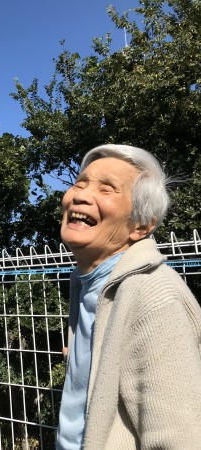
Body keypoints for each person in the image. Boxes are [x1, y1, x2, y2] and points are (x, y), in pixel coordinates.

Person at [55, 144, 201, 449]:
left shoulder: (153, 296)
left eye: (106, 189)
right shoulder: (86, 280)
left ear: (141, 226)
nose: (80, 196)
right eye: (80, 183)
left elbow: (179, 439)